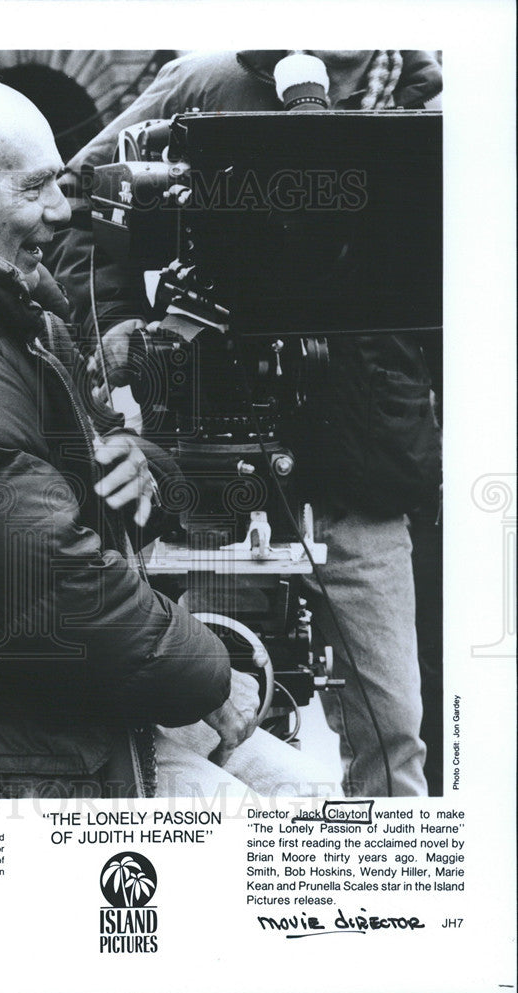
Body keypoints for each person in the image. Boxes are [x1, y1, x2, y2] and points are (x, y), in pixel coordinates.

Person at [0, 75, 334, 800]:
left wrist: (143, 471)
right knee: (276, 819)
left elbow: (85, 496)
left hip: (26, 707)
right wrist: (207, 674)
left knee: (303, 797)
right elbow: (45, 588)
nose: (61, 211)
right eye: (35, 188)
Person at [48, 50, 443, 796]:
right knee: (180, 713)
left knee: (394, 726)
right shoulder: (205, 81)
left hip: (365, 459)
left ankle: (391, 891)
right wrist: (123, 318)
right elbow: (76, 198)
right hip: (203, 458)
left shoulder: (428, 105)